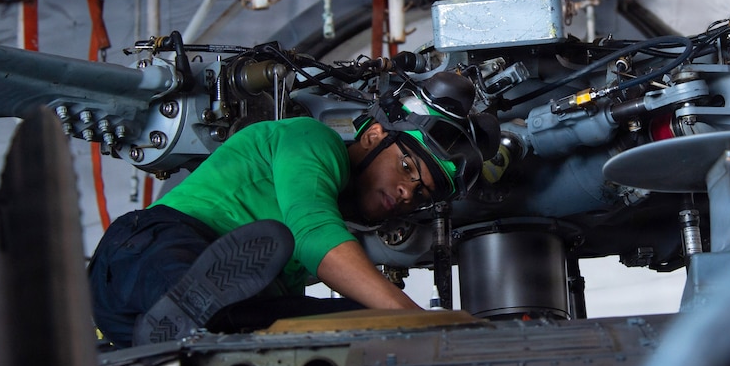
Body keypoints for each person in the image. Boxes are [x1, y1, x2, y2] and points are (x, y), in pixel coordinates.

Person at [88, 69, 486, 347]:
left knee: (357, 330)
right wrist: (415, 319)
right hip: (147, 250)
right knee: (195, 277)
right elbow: (312, 232)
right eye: (406, 168)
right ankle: (188, 310)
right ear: (374, 136)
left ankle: (193, 331)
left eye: (420, 195)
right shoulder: (314, 141)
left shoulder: (311, 243)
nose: (405, 194)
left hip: (142, 327)